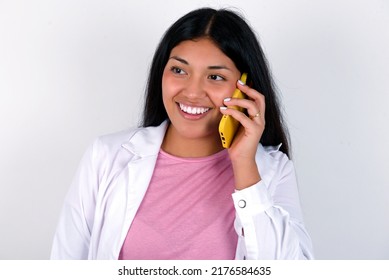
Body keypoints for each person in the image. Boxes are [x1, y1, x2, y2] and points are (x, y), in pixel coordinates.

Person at [51, 7, 313, 260]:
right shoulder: (106, 157)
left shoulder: (273, 171)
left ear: (244, 89)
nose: (192, 92)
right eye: (179, 70)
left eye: (216, 77)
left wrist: (245, 165)